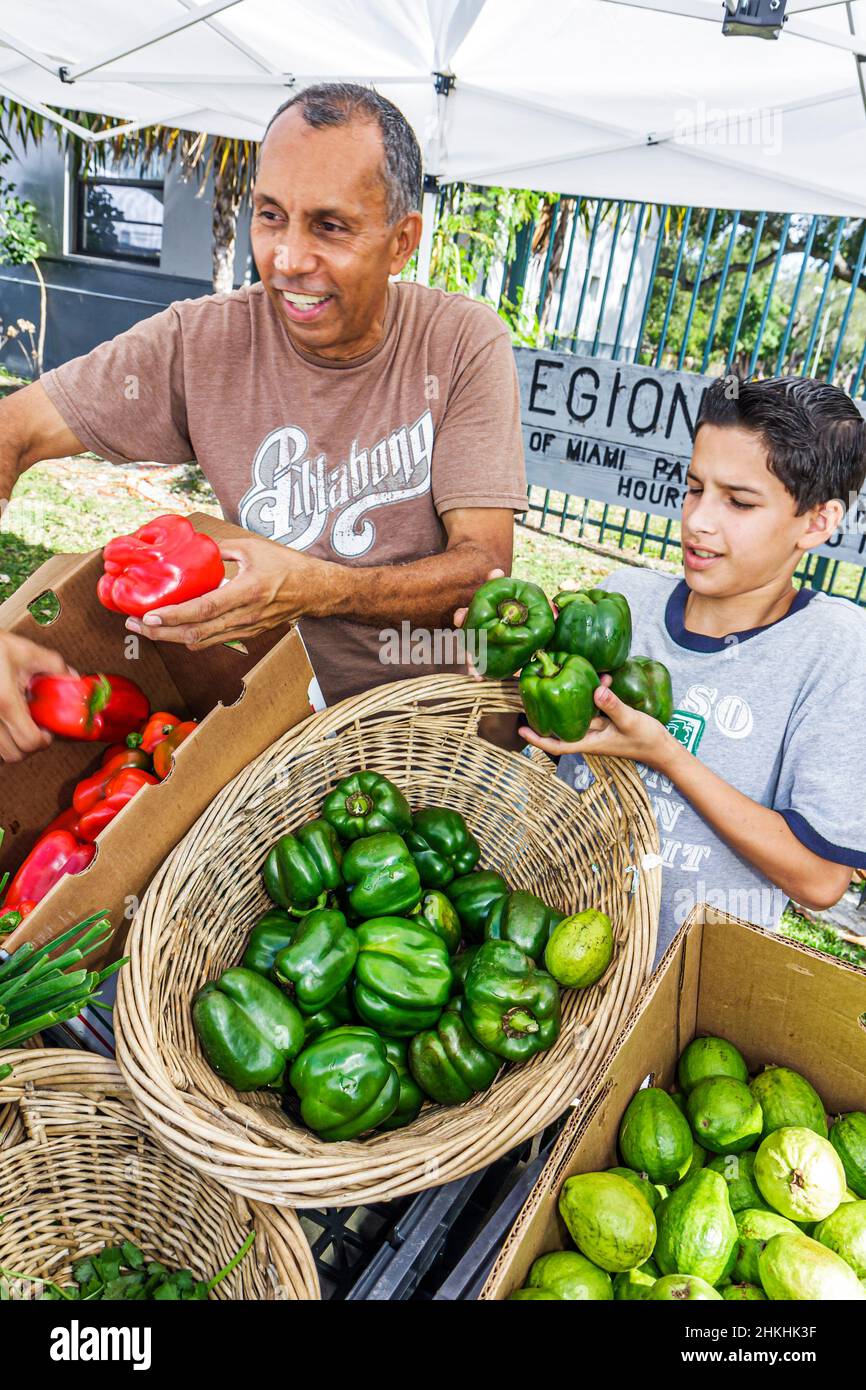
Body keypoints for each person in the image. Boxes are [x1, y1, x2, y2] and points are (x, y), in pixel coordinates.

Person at [0, 83, 527, 762]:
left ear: (401, 243)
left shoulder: (460, 343)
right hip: (270, 744)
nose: (286, 258)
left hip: (435, 745)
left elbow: (485, 570)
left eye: (329, 226)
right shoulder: (202, 341)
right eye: (271, 216)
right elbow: (12, 429)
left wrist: (318, 587)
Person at [459, 377, 866, 964]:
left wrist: (666, 754)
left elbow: (822, 881)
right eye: (694, 488)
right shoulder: (625, 601)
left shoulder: (834, 651)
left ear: (817, 522)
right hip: (536, 949)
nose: (699, 520)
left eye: (740, 502)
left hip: (676, 989)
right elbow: (526, 751)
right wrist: (497, 671)